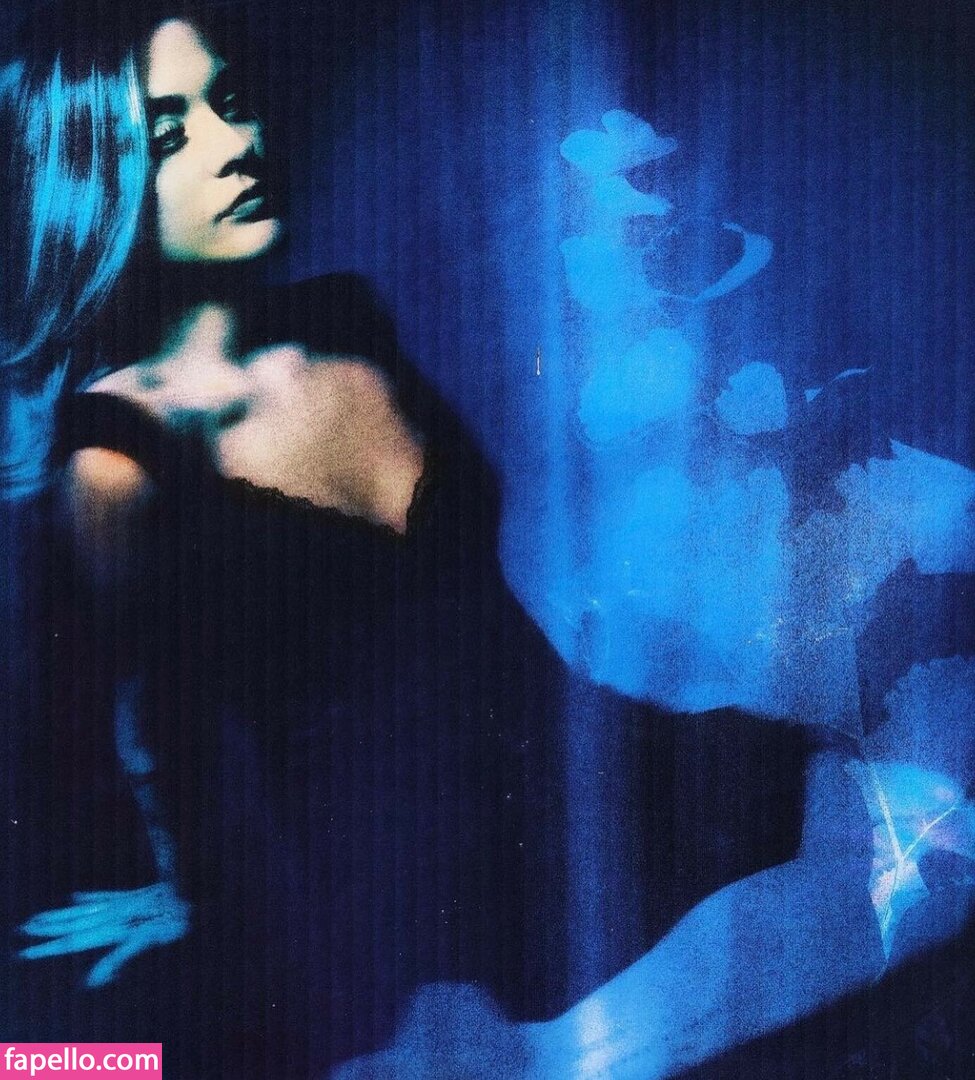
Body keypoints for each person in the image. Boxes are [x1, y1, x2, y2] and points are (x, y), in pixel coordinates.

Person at [7, 2, 968, 1078]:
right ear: (96, 176)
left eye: (229, 103)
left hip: (582, 759)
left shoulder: (342, 319)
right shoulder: (116, 458)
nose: (234, 143)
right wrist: (181, 889)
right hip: (416, 873)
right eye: (172, 131)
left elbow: (468, 605)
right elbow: (155, 705)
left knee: (925, 823)